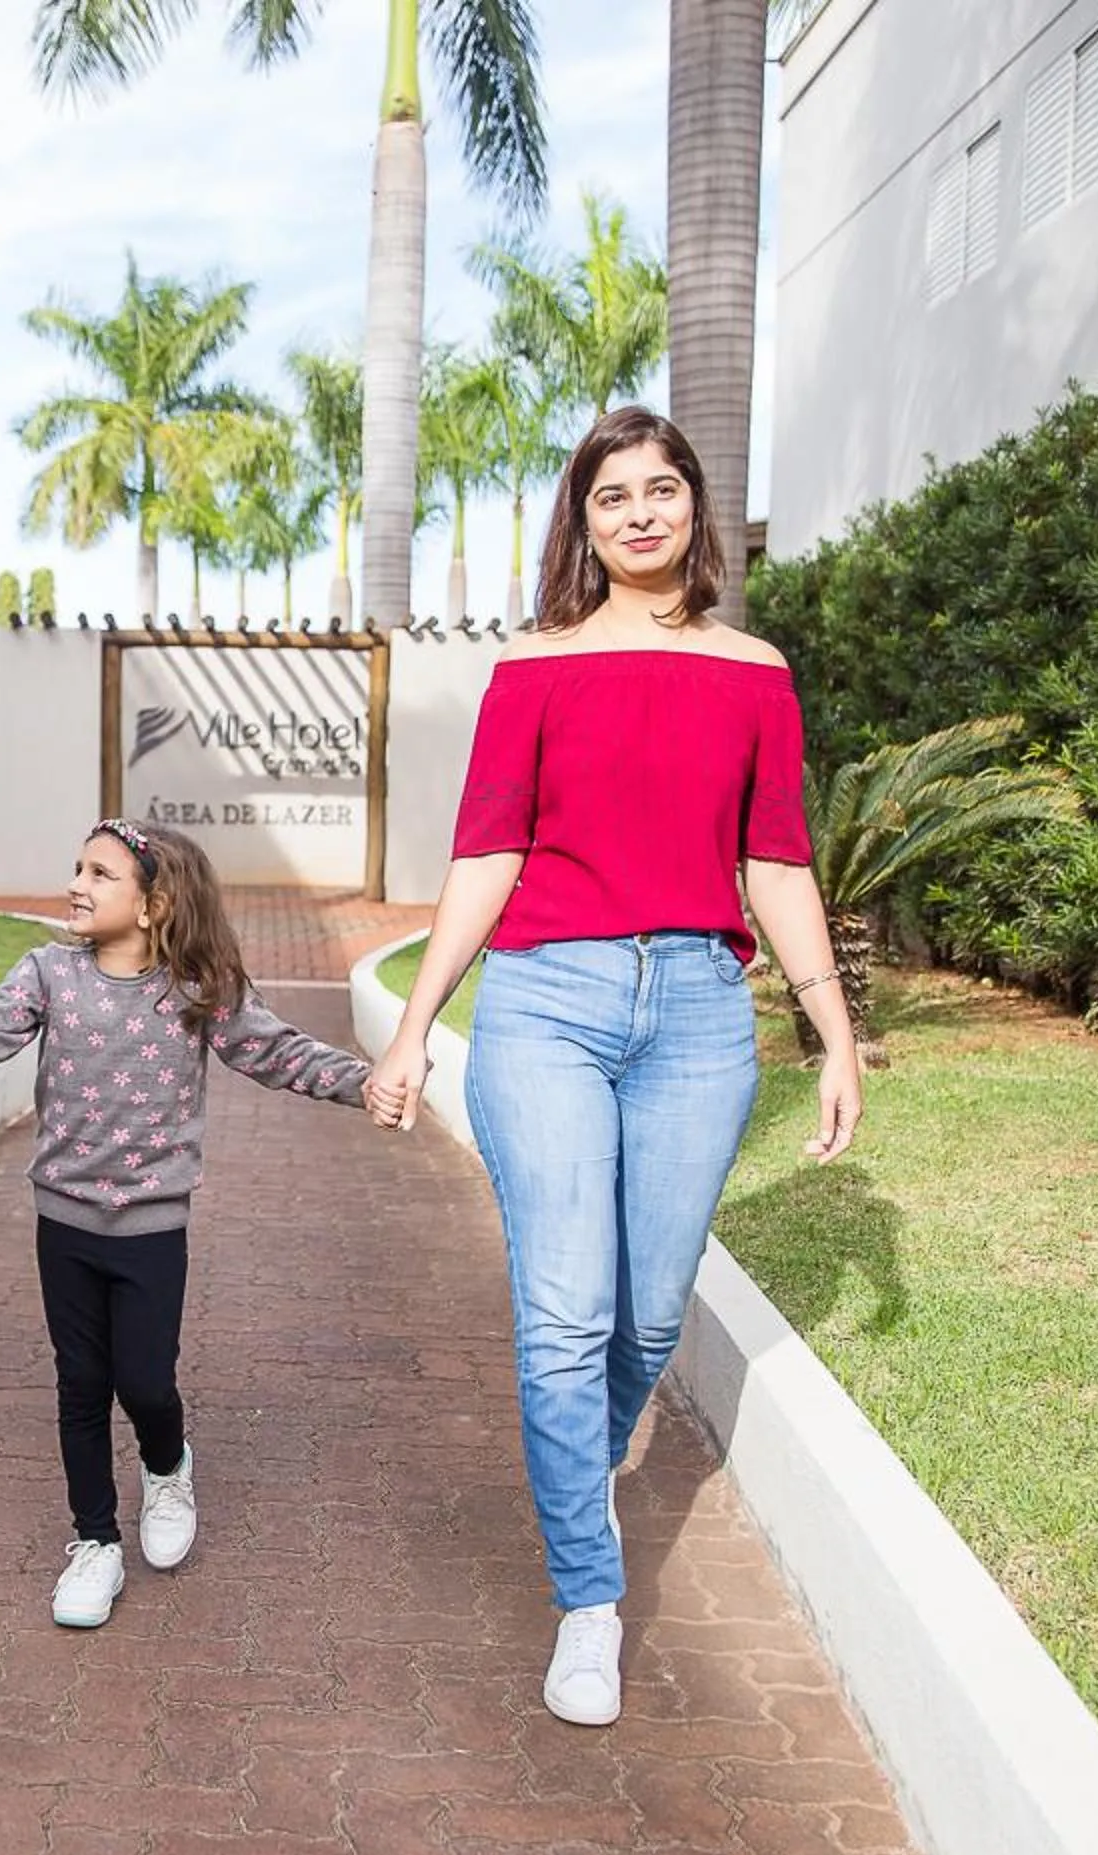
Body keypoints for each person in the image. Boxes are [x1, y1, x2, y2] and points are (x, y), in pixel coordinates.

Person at [366, 405, 862, 1729]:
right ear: (581, 526)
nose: (640, 513)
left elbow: (776, 858)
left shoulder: (755, 669)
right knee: (567, 1313)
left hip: (701, 1006)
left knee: (647, 1318)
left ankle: (575, 1461)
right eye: (611, 498)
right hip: (547, 1005)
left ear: (695, 509)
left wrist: (830, 1024)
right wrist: (416, 1028)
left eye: (662, 490)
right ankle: (590, 1596)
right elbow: (488, 855)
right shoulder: (534, 667)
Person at [0, 821, 372, 1628]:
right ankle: (95, 1542)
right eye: (76, 866)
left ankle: (167, 1464)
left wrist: (363, 1083)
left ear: (154, 904)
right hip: (65, 1221)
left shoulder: (198, 988)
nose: (76, 884)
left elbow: (276, 1053)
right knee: (81, 1384)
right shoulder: (49, 973)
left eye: (100, 873)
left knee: (146, 1382)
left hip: (152, 1227)